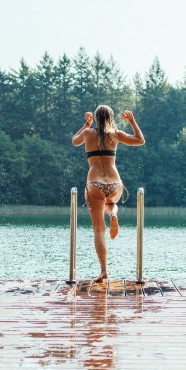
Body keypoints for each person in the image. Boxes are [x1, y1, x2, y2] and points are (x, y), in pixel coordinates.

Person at [72, 105, 145, 283]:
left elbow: (74, 141)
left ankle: (104, 271)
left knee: (98, 230)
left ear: (96, 118)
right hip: (114, 183)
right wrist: (132, 121)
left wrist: (85, 124)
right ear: (111, 118)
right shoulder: (116, 134)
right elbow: (140, 140)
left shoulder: (88, 133)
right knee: (112, 202)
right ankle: (113, 213)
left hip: (94, 183)